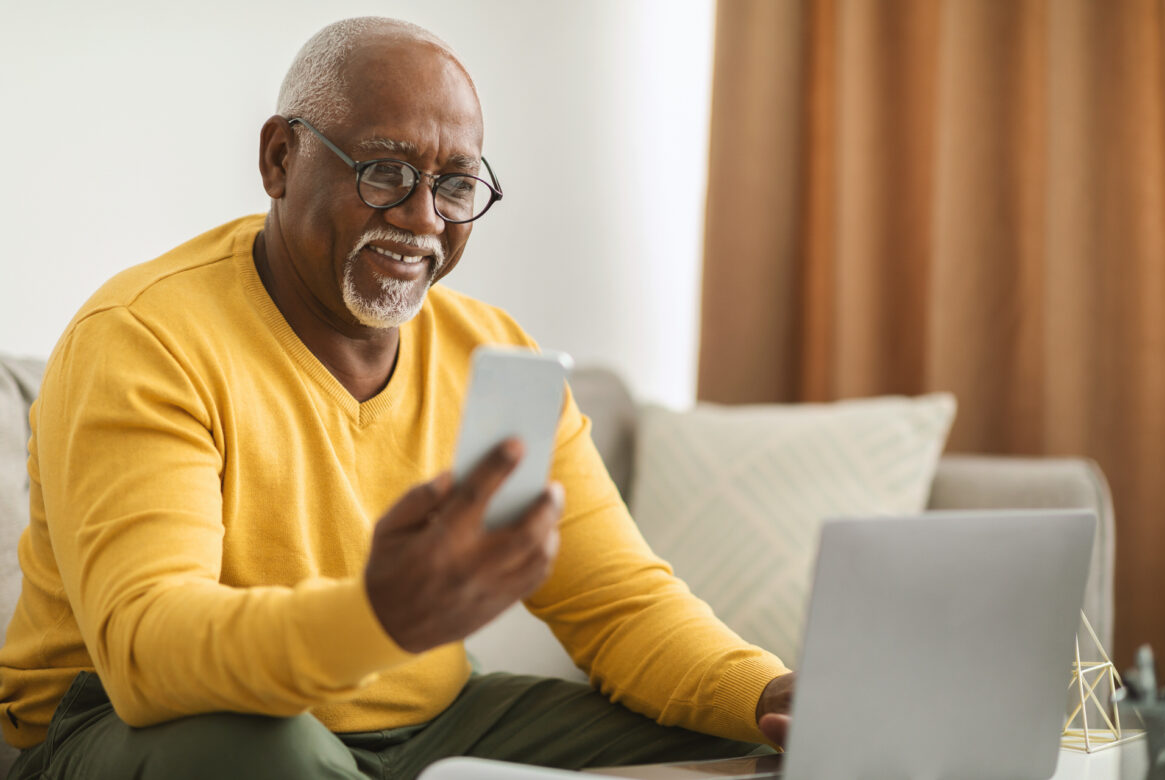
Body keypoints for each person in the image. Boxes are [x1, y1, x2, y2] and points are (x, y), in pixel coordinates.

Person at [0, 17, 795, 780]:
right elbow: (149, 657)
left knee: (721, 742)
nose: (423, 220)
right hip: (127, 725)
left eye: (455, 185)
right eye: (385, 172)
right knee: (259, 758)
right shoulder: (145, 336)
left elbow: (619, 603)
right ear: (280, 158)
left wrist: (769, 696)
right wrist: (377, 616)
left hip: (430, 724)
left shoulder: (494, 355)